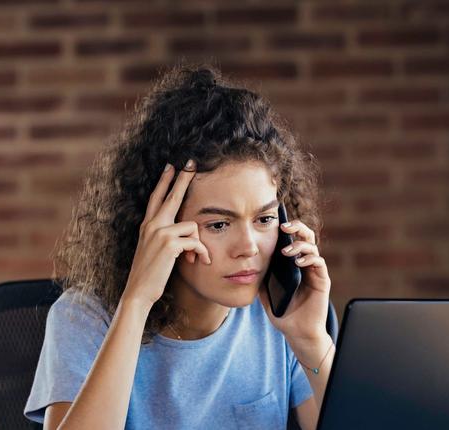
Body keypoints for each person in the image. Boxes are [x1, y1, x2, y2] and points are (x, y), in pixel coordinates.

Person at [24, 63, 335, 430]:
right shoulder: (85, 318)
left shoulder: (280, 316)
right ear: (161, 228)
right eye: (219, 224)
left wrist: (311, 341)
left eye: (264, 220)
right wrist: (136, 303)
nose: (248, 247)